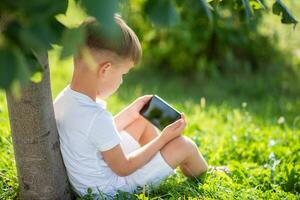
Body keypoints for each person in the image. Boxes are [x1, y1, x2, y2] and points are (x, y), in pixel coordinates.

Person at [53, 14, 208, 199]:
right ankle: (204, 172)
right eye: (123, 75)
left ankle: (160, 166)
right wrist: (163, 139)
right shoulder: (96, 117)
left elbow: (95, 136)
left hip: (94, 176)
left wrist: (131, 112)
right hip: (110, 190)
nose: (121, 81)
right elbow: (124, 168)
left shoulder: (67, 99)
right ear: (105, 69)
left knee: (142, 120)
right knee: (185, 145)